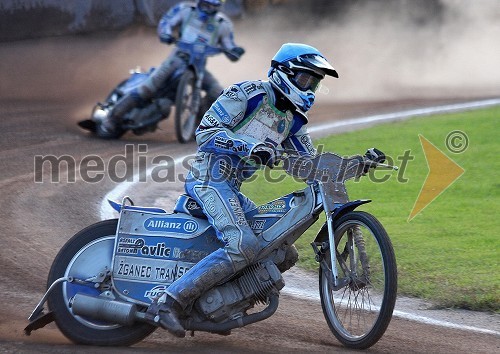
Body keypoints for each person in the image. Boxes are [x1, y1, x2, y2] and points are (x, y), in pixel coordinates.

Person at [145, 43, 338, 337]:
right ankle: (167, 302)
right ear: (284, 72)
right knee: (243, 245)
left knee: (285, 254)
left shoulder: (294, 121)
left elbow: (308, 165)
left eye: (315, 82)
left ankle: (221, 307)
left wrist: (353, 165)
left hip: (231, 188)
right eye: (305, 79)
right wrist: (248, 146)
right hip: (209, 179)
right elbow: (205, 131)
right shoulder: (248, 94)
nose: (310, 88)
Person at [98, 0, 245, 137]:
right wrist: (166, 34)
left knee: (217, 92)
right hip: (177, 59)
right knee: (148, 88)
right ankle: (112, 119)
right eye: (207, 4)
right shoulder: (185, 10)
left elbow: (229, 45)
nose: (209, 9)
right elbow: (166, 22)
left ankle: (200, 125)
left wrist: (235, 51)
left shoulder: (222, 24)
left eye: (214, 6)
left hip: (198, 65)